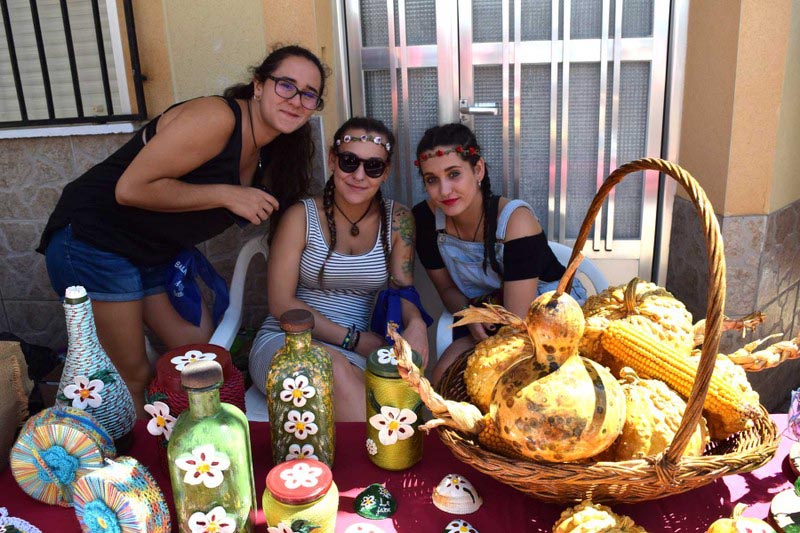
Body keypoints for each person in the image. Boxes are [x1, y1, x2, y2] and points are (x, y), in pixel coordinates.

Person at [37, 45, 328, 415]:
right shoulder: (216, 118)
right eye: (285, 85)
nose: (296, 100)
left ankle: (179, 433)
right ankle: (141, 464)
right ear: (257, 86)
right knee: (134, 374)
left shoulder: (272, 150)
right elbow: (130, 189)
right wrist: (228, 194)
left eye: (308, 93)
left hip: (152, 251)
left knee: (199, 355)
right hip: (94, 241)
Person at [250, 117, 430, 421]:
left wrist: (418, 325)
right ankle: (385, 462)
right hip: (288, 338)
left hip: (356, 353)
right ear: (333, 160)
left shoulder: (398, 220)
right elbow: (281, 304)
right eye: (349, 162)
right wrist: (353, 340)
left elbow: (401, 289)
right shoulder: (301, 216)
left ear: (385, 172)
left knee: (387, 399)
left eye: (373, 166)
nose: (359, 175)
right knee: (337, 374)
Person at [412, 123, 586, 384]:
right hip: (487, 313)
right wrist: (469, 315)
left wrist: (475, 329)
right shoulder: (425, 221)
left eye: (454, 174)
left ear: (478, 169)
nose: (444, 191)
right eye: (432, 180)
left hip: (547, 316)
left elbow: (517, 321)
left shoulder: (516, 222)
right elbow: (446, 289)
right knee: (440, 380)